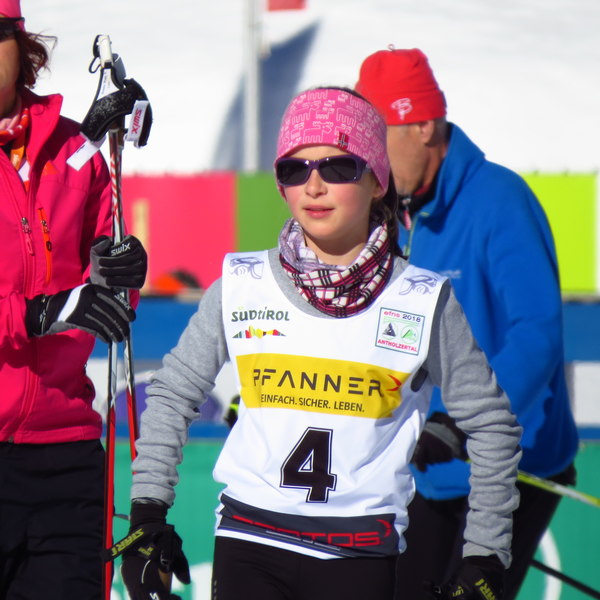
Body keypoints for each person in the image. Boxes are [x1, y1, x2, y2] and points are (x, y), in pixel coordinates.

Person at [117, 86, 522, 600]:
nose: (313, 185)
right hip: (249, 544)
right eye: (294, 169)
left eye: (337, 167)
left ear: (377, 180)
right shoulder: (242, 284)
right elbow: (172, 395)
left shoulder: (421, 299)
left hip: (358, 555)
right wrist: (148, 514)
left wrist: (485, 555)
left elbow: (491, 425)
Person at [355, 47, 579, 600]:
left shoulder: (500, 201)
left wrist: (461, 420)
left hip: (511, 463)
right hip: (429, 466)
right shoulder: (393, 213)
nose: (369, 157)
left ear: (424, 126)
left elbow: (537, 333)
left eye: (380, 137)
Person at [0, 1, 147, 598]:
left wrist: (121, 269)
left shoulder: (71, 150)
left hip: (65, 452)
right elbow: (55, 304)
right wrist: (38, 313)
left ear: (21, 44)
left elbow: (104, 276)